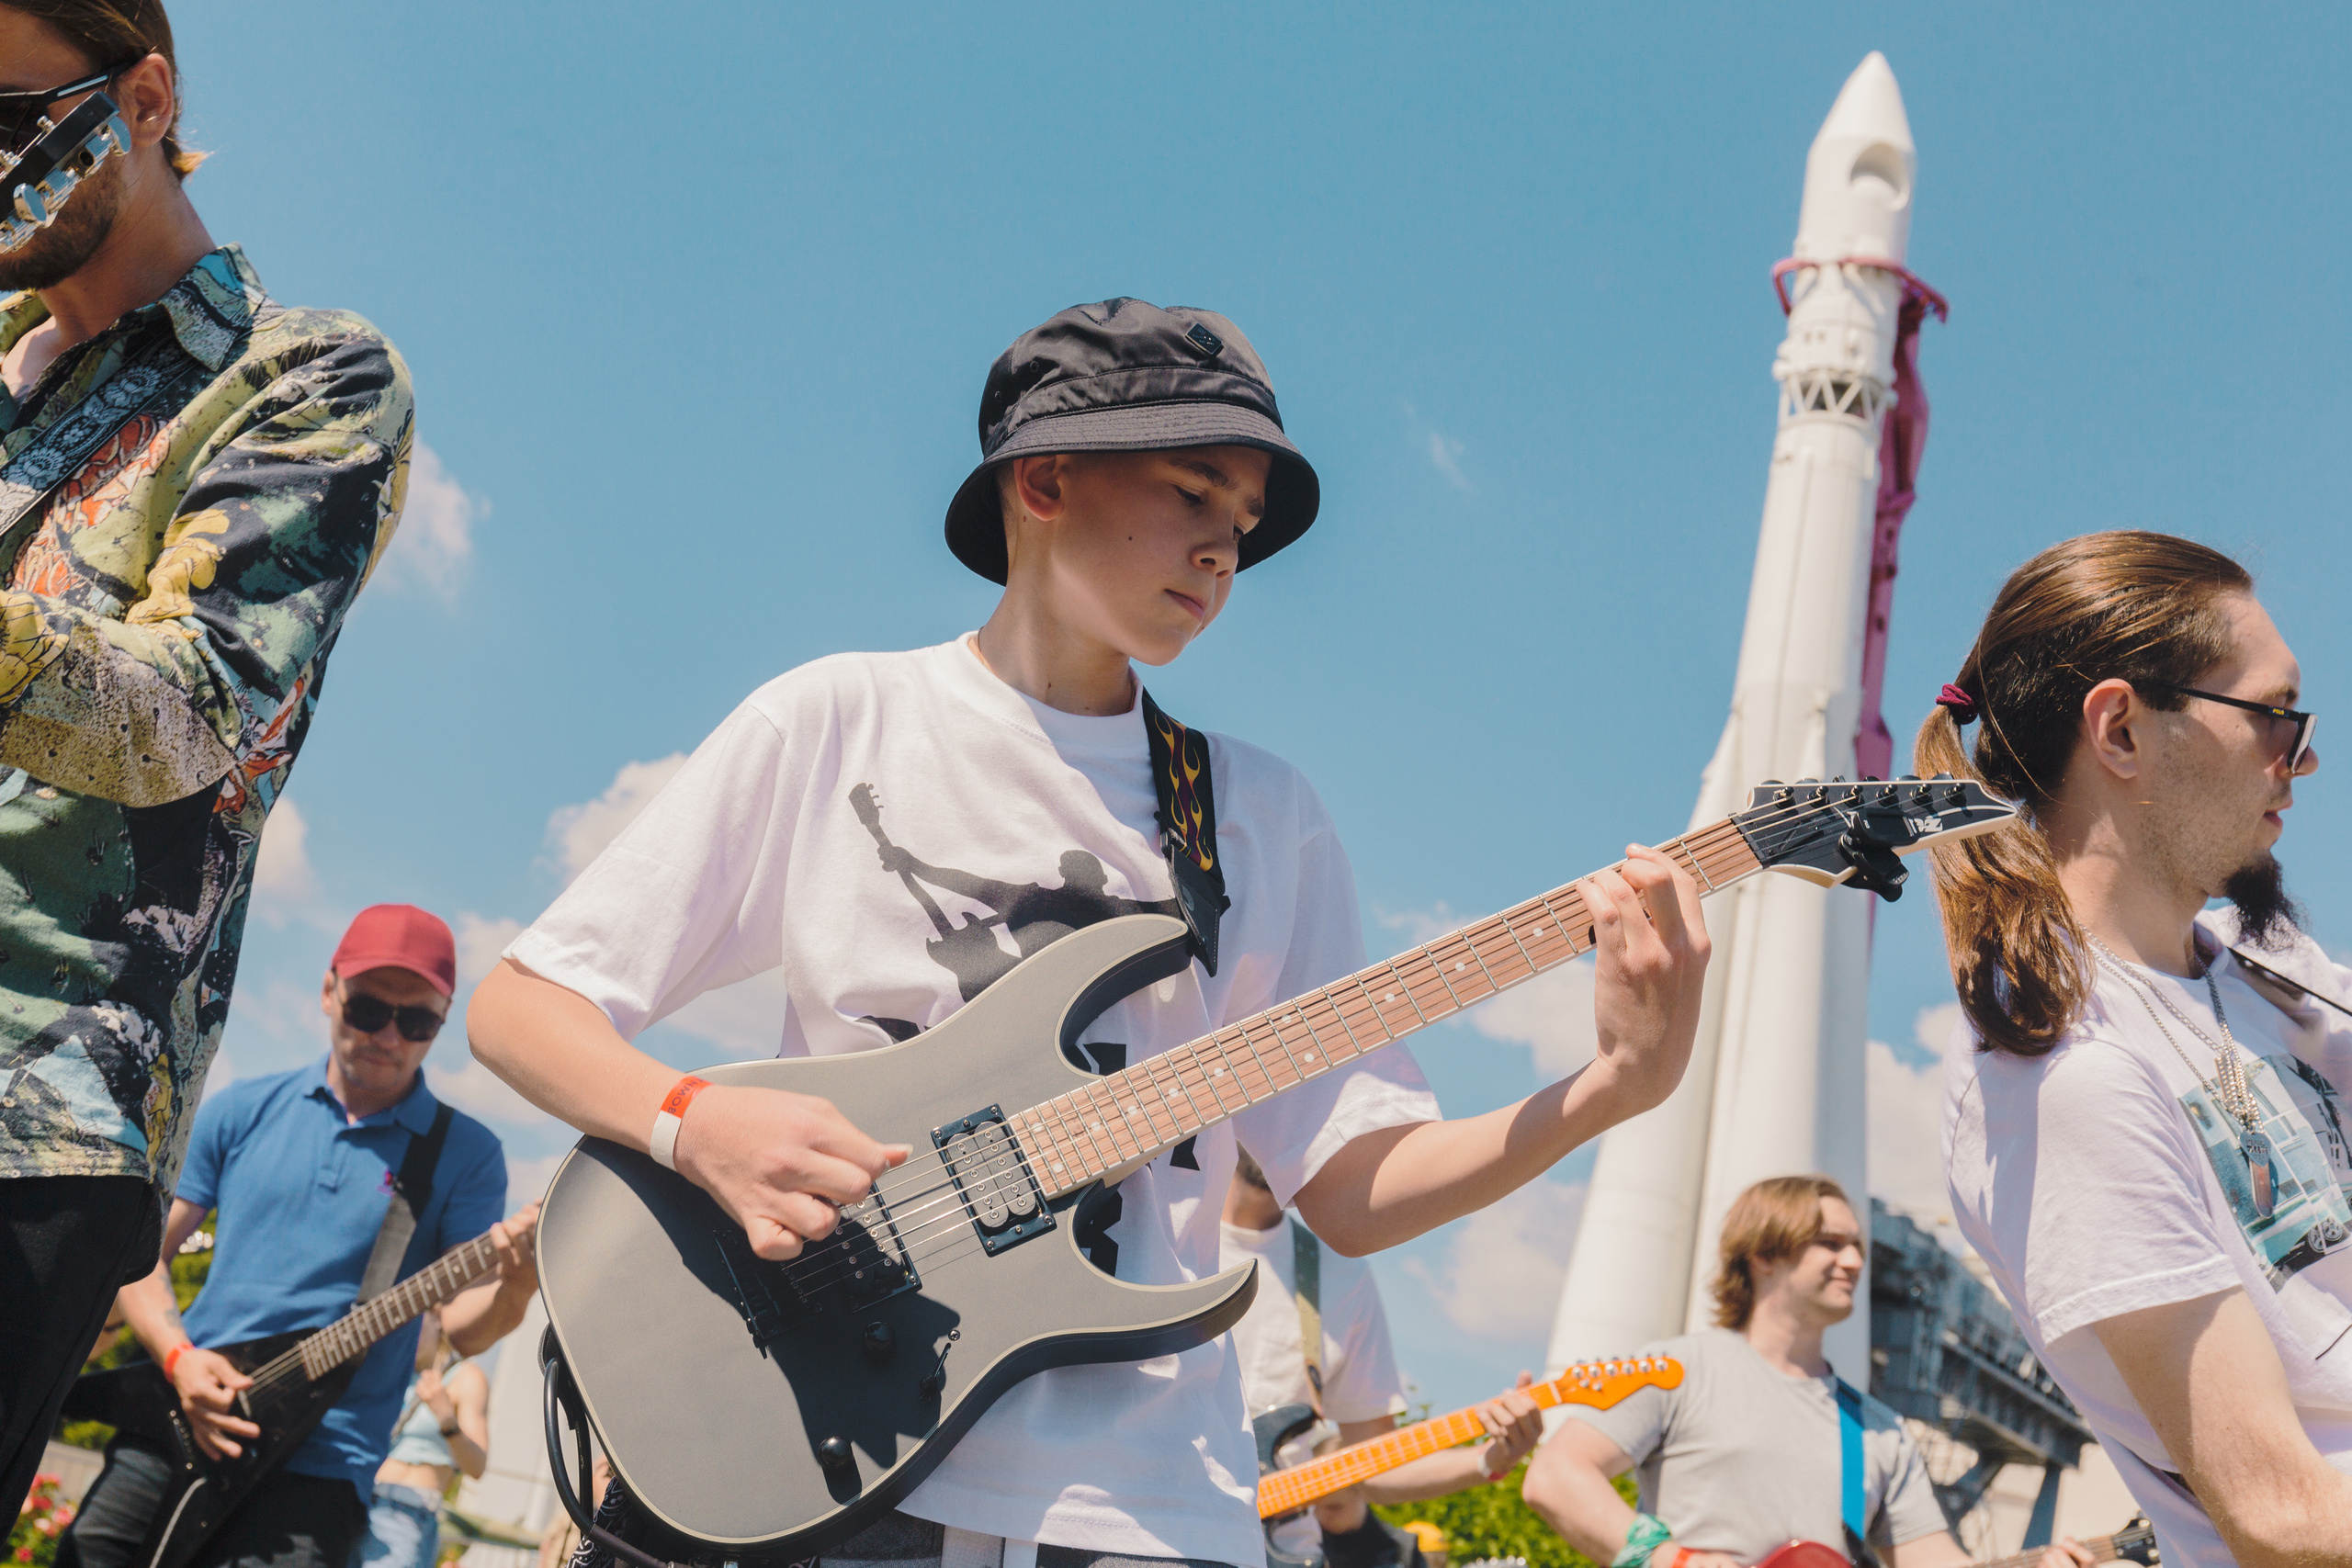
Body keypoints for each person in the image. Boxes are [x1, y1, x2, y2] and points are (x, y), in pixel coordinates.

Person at [469, 297, 1713, 1568]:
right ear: (1046, 478)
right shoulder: (839, 720)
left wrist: (1616, 1082)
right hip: (837, 1453)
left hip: (1153, 1505)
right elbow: (523, 1005)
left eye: (1243, 526)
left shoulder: (1264, 816)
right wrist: (697, 1120)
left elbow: (1346, 1187)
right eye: (1192, 491)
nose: (1224, 552)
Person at [0, 0, 415, 1522]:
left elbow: (191, 711)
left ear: (148, 94)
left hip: (26, 1108)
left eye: (5, 120)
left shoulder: (306, 379)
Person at [1929, 532, 2352, 1568]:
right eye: (2272, 714)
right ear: (2120, 729)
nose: (2300, 755)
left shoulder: (2272, 973)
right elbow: (2281, 1512)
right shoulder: (2062, 1079)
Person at [58, 906, 537, 1568]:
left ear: (443, 1020)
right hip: (183, 1414)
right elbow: (142, 1256)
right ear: (328, 990)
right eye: (369, 1009)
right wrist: (178, 1358)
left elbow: (466, 1329)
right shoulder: (242, 1108)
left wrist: (522, 1278)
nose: (390, 1035)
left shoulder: (467, 1153)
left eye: (417, 1020)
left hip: (326, 1460)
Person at [1522, 1176, 2094, 1568]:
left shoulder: (1878, 1429)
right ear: (1764, 1253)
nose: (1853, 1261)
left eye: (1857, 1247)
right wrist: (1668, 1557)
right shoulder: (1680, 1369)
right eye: (1830, 1243)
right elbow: (1556, 1476)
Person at [1223, 1146, 1541, 1567]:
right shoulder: (1151, 1236)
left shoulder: (1335, 1272)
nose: (1280, 1116)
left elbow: (1373, 1463)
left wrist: (1487, 1460)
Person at [350, 1306, 491, 1568]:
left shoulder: (464, 1378)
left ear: (437, 1318)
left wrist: (446, 1419)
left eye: (412, 1321)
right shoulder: (391, 1371)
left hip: (405, 1513)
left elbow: (477, 1466)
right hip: (356, 1501)